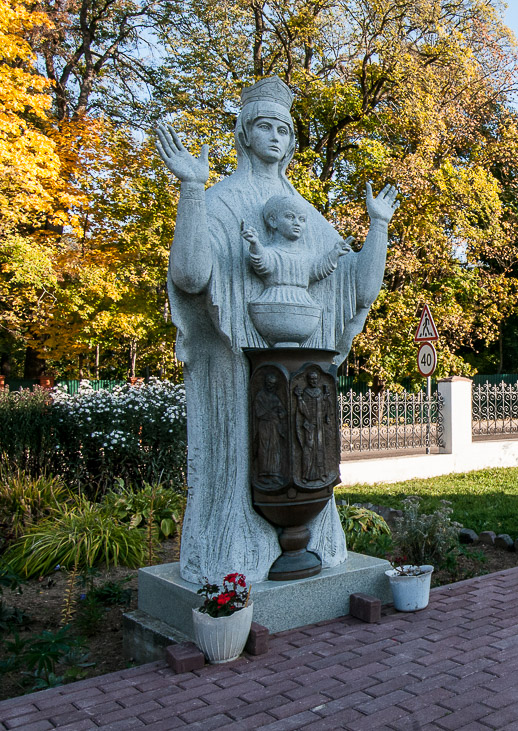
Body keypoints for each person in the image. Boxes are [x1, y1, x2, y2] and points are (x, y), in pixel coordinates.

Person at [154, 77, 399, 583]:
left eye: (284, 130)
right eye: (264, 126)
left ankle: (312, 539)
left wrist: (378, 226)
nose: (276, 138)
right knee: (241, 467)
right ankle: (232, 564)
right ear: (244, 133)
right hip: (236, 369)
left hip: (297, 370)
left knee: (303, 458)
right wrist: (190, 190)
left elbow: (358, 288)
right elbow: (191, 276)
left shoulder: (304, 214)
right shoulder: (219, 200)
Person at [243, 194, 353, 310]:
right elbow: (263, 263)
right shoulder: (271, 252)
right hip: (272, 303)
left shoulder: (306, 256)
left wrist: (335, 253)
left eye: (302, 219)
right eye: (290, 217)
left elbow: (317, 270)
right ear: (273, 221)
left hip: (305, 305)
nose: (297, 223)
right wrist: (255, 243)